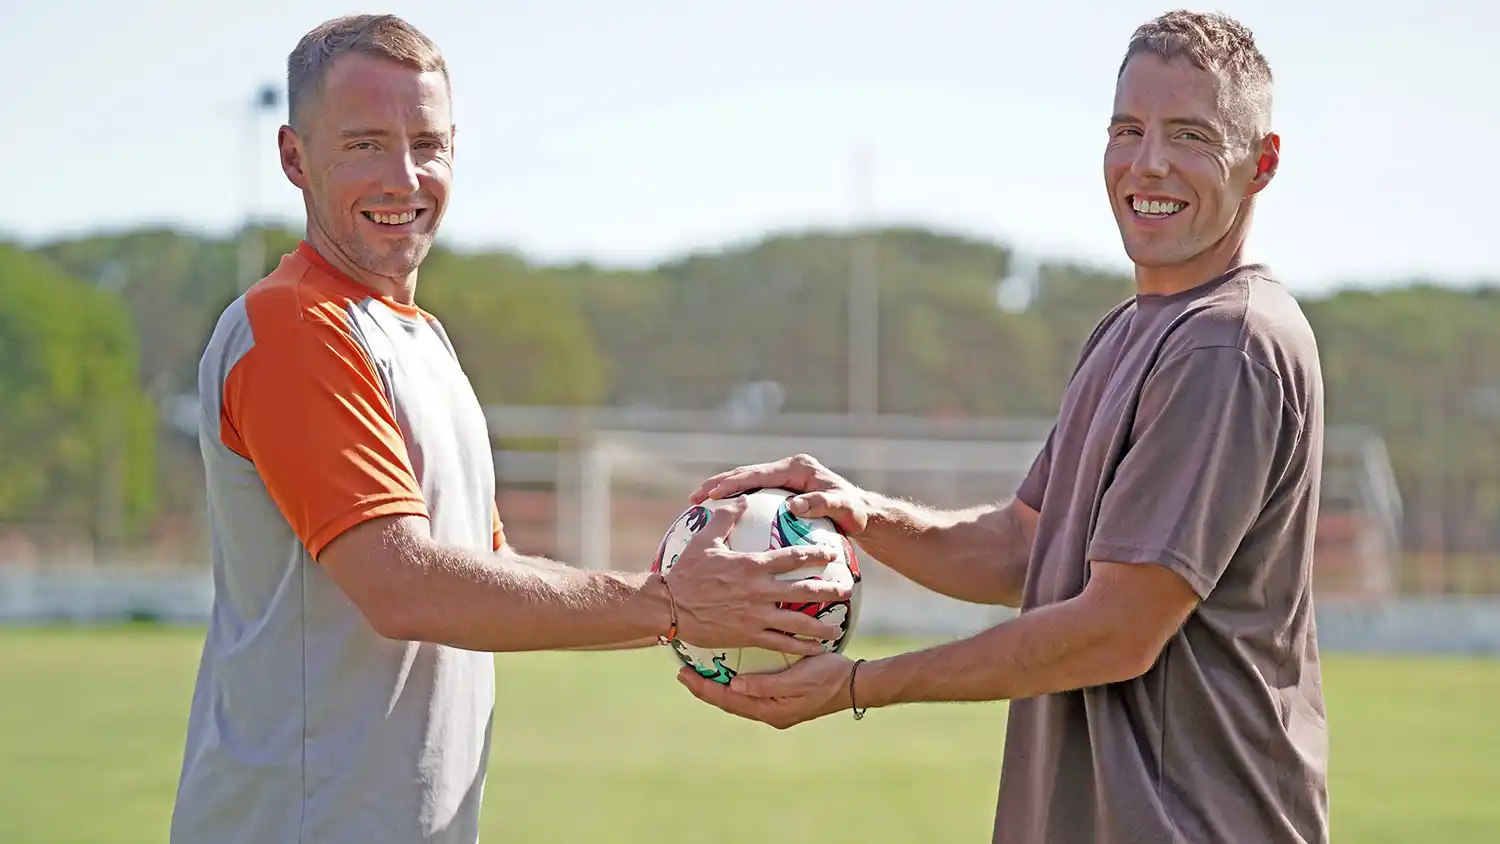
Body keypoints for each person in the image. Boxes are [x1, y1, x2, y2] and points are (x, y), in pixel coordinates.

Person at [168, 14, 849, 844]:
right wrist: (669, 604)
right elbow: (404, 586)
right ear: (293, 158)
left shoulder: (420, 339)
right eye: (363, 145)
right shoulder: (295, 327)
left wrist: (693, 596)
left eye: (427, 142)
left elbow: (488, 575)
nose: (403, 176)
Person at [678, 10, 1328, 844]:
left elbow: (1115, 632)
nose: (1148, 162)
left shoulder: (1227, 344)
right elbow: (1023, 548)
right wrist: (861, 515)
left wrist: (860, 685)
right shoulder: (1131, 329)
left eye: (1191, 135)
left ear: (1260, 164)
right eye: (1126, 129)